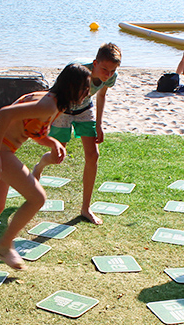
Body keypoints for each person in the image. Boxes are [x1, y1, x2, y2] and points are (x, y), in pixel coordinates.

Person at [0, 63, 91, 270]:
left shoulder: (53, 102)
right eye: (85, 88)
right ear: (73, 86)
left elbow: (33, 130)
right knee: (37, 197)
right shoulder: (48, 105)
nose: (87, 93)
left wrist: (53, 143)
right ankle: (4, 245)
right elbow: (4, 114)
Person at [32, 43, 122, 225]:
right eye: (105, 69)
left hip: (85, 108)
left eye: (112, 71)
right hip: (64, 108)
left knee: (93, 154)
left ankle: (85, 208)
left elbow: (101, 96)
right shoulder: (77, 70)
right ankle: (39, 167)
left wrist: (99, 125)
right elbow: (55, 95)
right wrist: (48, 121)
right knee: (58, 156)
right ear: (95, 63)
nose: (108, 74)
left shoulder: (111, 77)